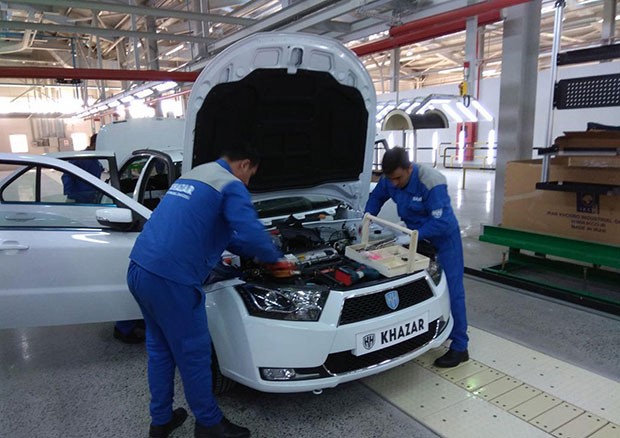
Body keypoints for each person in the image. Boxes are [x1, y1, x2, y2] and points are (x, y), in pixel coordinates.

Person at [127, 143, 282, 438]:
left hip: (139, 269)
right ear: (245, 164)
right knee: (194, 354)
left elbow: (219, 231)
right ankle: (209, 424)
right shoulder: (231, 185)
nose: (248, 182)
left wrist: (249, 249)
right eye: (251, 175)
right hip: (172, 280)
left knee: (160, 350)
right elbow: (249, 231)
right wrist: (275, 259)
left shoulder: (195, 175)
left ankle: (160, 421)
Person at [365, 147, 469, 368]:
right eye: (390, 179)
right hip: (413, 237)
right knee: (416, 287)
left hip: (443, 240)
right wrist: (367, 218)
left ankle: (460, 346)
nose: (394, 184)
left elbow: (442, 222)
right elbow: (377, 197)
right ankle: (423, 331)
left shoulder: (431, 181)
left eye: (398, 178)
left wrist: (412, 236)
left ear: (409, 169)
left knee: (453, 289)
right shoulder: (389, 179)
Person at [62, 133, 104, 203]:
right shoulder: (80, 157)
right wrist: (70, 196)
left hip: (93, 197)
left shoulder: (97, 157)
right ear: (94, 144)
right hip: (79, 198)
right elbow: (67, 175)